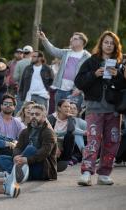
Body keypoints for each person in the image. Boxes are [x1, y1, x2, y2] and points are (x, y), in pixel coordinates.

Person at [75, 30, 126, 186]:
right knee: (92, 141)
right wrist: (94, 74)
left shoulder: (120, 63)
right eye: (106, 42)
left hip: (114, 109)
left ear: (116, 46)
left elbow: (123, 86)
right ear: (101, 44)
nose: (109, 45)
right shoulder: (91, 61)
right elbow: (79, 82)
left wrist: (117, 75)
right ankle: (86, 173)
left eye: (112, 43)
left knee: (112, 141)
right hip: (94, 108)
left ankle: (104, 174)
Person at [0, 104, 57, 181]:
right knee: (1, 158)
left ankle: (14, 174)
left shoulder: (48, 132)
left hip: (42, 168)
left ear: (44, 116)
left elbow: (44, 153)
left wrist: (27, 160)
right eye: (32, 114)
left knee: (30, 149)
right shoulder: (25, 131)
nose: (34, 116)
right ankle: (19, 174)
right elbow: (18, 147)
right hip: (25, 164)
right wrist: (16, 156)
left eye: (37, 114)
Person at [38, 31, 90, 109]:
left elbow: (89, 76)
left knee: (72, 117)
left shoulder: (87, 57)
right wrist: (44, 39)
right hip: (60, 91)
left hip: (75, 92)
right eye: (71, 38)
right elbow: (53, 50)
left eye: (74, 39)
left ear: (81, 42)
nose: (71, 40)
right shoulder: (66, 52)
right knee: (58, 116)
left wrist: (80, 89)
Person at [47, 99, 75, 165]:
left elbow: (71, 130)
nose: (68, 109)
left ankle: (67, 159)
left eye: (69, 107)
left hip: (64, 143)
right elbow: (48, 133)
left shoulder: (71, 118)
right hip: (53, 140)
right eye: (65, 106)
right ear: (59, 108)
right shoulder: (51, 118)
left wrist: (70, 118)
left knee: (70, 136)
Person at [13, 45, 34, 112]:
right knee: (32, 109)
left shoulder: (19, 63)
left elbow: (15, 78)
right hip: (33, 90)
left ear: (23, 53)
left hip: (21, 89)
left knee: (19, 109)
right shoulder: (34, 63)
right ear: (31, 53)